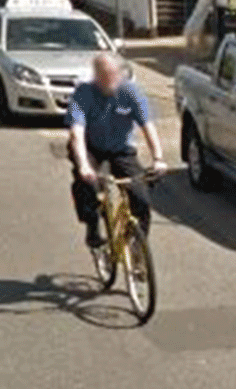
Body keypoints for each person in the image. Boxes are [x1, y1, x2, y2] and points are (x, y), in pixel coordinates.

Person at [68, 51, 167, 252]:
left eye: (113, 75)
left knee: (141, 198)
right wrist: (84, 166)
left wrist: (158, 158)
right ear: (96, 76)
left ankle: (138, 249)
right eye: (103, 76)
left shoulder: (131, 92)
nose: (109, 81)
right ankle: (93, 226)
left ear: (121, 74)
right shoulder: (83, 93)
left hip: (120, 149)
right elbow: (77, 133)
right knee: (86, 185)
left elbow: (148, 126)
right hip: (90, 147)